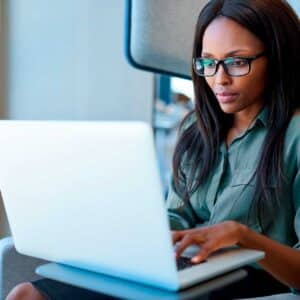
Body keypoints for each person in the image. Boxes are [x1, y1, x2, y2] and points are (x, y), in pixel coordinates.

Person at [6, 0, 300, 299]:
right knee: (26, 294)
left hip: (255, 283)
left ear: (278, 57)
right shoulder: (197, 128)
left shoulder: (295, 135)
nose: (219, 79)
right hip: (192, 269)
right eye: (208, 62)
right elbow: (177, 216)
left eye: (237, 62)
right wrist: (138, 233)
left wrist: (243, 236)